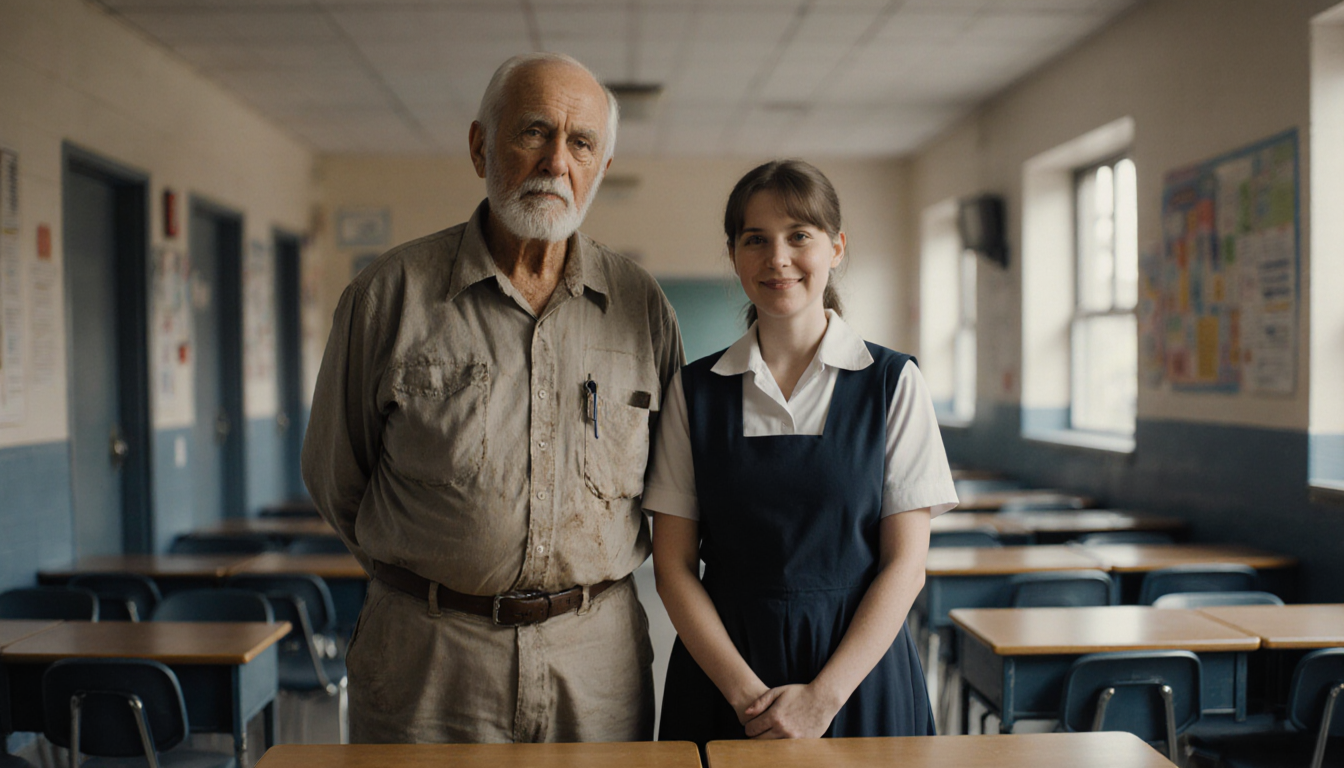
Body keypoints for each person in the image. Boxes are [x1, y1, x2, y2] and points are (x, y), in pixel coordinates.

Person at [302, 52, 682, 744]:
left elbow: (672, 486)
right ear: (482, 145)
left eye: (581, 142)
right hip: (428, 662)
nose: (555, 161)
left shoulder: (640, 307)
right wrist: (441, 580)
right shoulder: (390, 295)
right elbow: (336, 476)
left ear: (599, 164)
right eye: (533, 132)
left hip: (597, 665)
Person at [644, 159, 957, 746]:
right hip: (725, 673)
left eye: (799, 236)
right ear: (734, 254)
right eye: (754, 240)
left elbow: (906, 567)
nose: (777, 258)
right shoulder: (695, 391)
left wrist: (822, 700)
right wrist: (748, 701)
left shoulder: (891, 382)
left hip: (858, 672)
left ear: (836, 247)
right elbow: (673, 568)